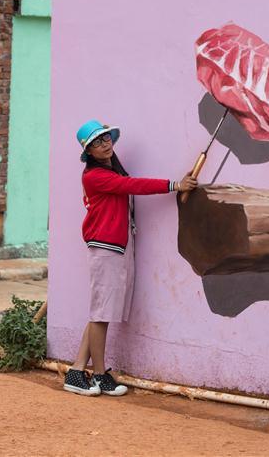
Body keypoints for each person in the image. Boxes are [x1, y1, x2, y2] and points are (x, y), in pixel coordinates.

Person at [63, 119, 197, 397]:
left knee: (101, 312)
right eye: (97, 142)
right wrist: (175, 185)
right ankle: (99, 375)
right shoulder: (95, 176)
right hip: (106, 248)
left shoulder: (111, 169)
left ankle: (77, 371)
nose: (105, 144)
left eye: (106, 138)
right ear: (89, 152)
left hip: (116, 247)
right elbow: (134, 185)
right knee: (101, 314)